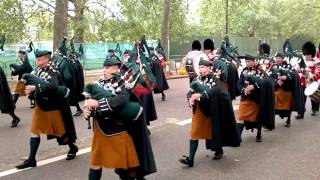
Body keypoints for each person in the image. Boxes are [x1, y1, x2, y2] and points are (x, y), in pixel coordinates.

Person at [84, 56, 156, 180]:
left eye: (107, 68)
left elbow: (121, 100)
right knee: (96, 163)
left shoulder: (124, 83)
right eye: (104, 68)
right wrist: (88, 110)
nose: (104, 70)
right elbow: (92, 102)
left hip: (119, 130)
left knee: (125, 168)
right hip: (101, 129)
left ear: (116, 69)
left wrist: (98, 104)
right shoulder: (99, 83)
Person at [16, 50, 78, 169]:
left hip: (54, 105)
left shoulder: (53, 69)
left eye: (40, 60)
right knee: (34, 130)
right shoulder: (39, 69)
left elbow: (53, 85)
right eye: (37, 60)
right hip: (41, 104)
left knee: (61, 131)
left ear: (46, 59)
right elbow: (33, 79)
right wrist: (29, 90)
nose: (38, 62)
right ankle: (31, 159)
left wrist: (35, 87)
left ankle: (72, 148)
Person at [179, 58, 241, 167]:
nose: (200, 69)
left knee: (213, 132)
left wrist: (201, 95)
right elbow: (190, 92)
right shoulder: (195, 80)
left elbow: (216, 91)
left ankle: (219, 150)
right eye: (199, 67)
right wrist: (190, 99)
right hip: (199, 110)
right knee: (194, 133)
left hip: (213, 110)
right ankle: (191, 159)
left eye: (202, 67)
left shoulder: (215, 79)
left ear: (209, 68)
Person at [237, 54, 275, 142]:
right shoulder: (244, 72)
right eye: (246, 62)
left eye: (249, 61)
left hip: (256, 99)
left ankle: (259, 134)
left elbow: (266, 82)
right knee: (241, 116)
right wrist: (244, 90)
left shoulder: (260, 71)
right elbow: (239, 84)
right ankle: (238, 137)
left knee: (257, 117)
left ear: (254, 61)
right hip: (245, 98)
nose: (247, 63)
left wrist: (254, 86)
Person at [302, 41, 320, 116]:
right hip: (304, 81)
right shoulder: (302, 61)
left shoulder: (316, 61)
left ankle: (314, 109)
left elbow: (318, 72)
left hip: (312, 81)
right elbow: (298, 69)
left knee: (313, 97)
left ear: (311, 54)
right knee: (302, 97)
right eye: (305, 55)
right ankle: (301, 111)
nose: (306, 57)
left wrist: (312, 77)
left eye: (308, 56)